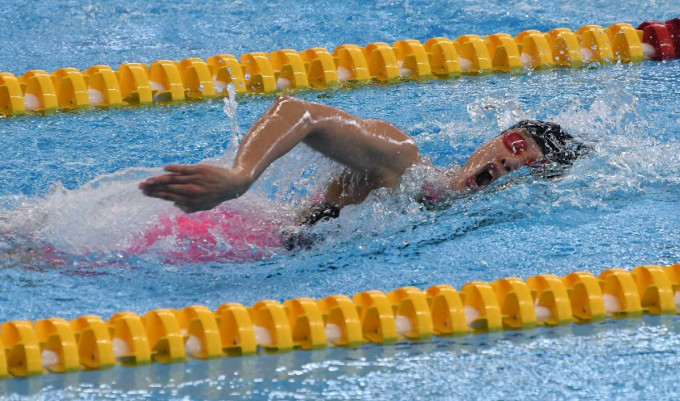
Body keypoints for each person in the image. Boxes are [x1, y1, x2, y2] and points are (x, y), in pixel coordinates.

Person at [139, 95, 589, 225]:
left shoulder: (440, 211)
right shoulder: (403, 162)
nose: (513, 164)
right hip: (221, 239)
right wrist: (242, 175)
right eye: (514, 146)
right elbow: (300, 111)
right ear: (494, 139)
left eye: (531, 168)